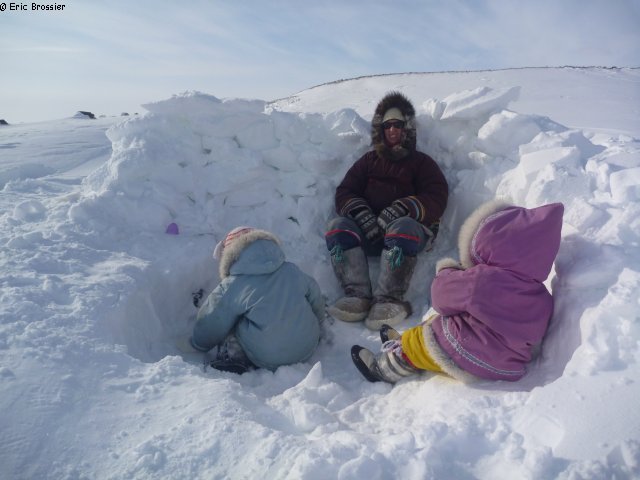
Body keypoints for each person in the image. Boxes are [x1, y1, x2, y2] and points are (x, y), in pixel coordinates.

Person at [350, 201, 564, 383]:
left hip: (468, 352)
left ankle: (388, 365)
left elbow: (441, 298)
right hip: (508, 365)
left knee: (431, 333)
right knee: (453, 321)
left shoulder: (482, 279)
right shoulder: (541, 296)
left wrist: (447, 270)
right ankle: (402, 341)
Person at [325, 91, 448, 330]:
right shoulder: (368, 161)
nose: (392, 130)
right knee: (336, 228)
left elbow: (437, 195)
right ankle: (357, 295)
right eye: (387, 125)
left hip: (406, 235)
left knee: (403, 228)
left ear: (407, 128)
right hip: (369, 232)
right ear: (380, 130)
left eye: (398, 125)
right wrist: (361, 213)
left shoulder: (422, 163)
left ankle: (389, 299)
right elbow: (345, 191)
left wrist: (404, 208)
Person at [177, 227, 325, 373]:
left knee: (229, 319)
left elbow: (213, 320)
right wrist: (318, 320)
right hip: (307, 346)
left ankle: (234, 357)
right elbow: (315, 296)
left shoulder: (234, 285)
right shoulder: (291, 270)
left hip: (268, 356)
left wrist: (198, 343)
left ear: (231, 255)